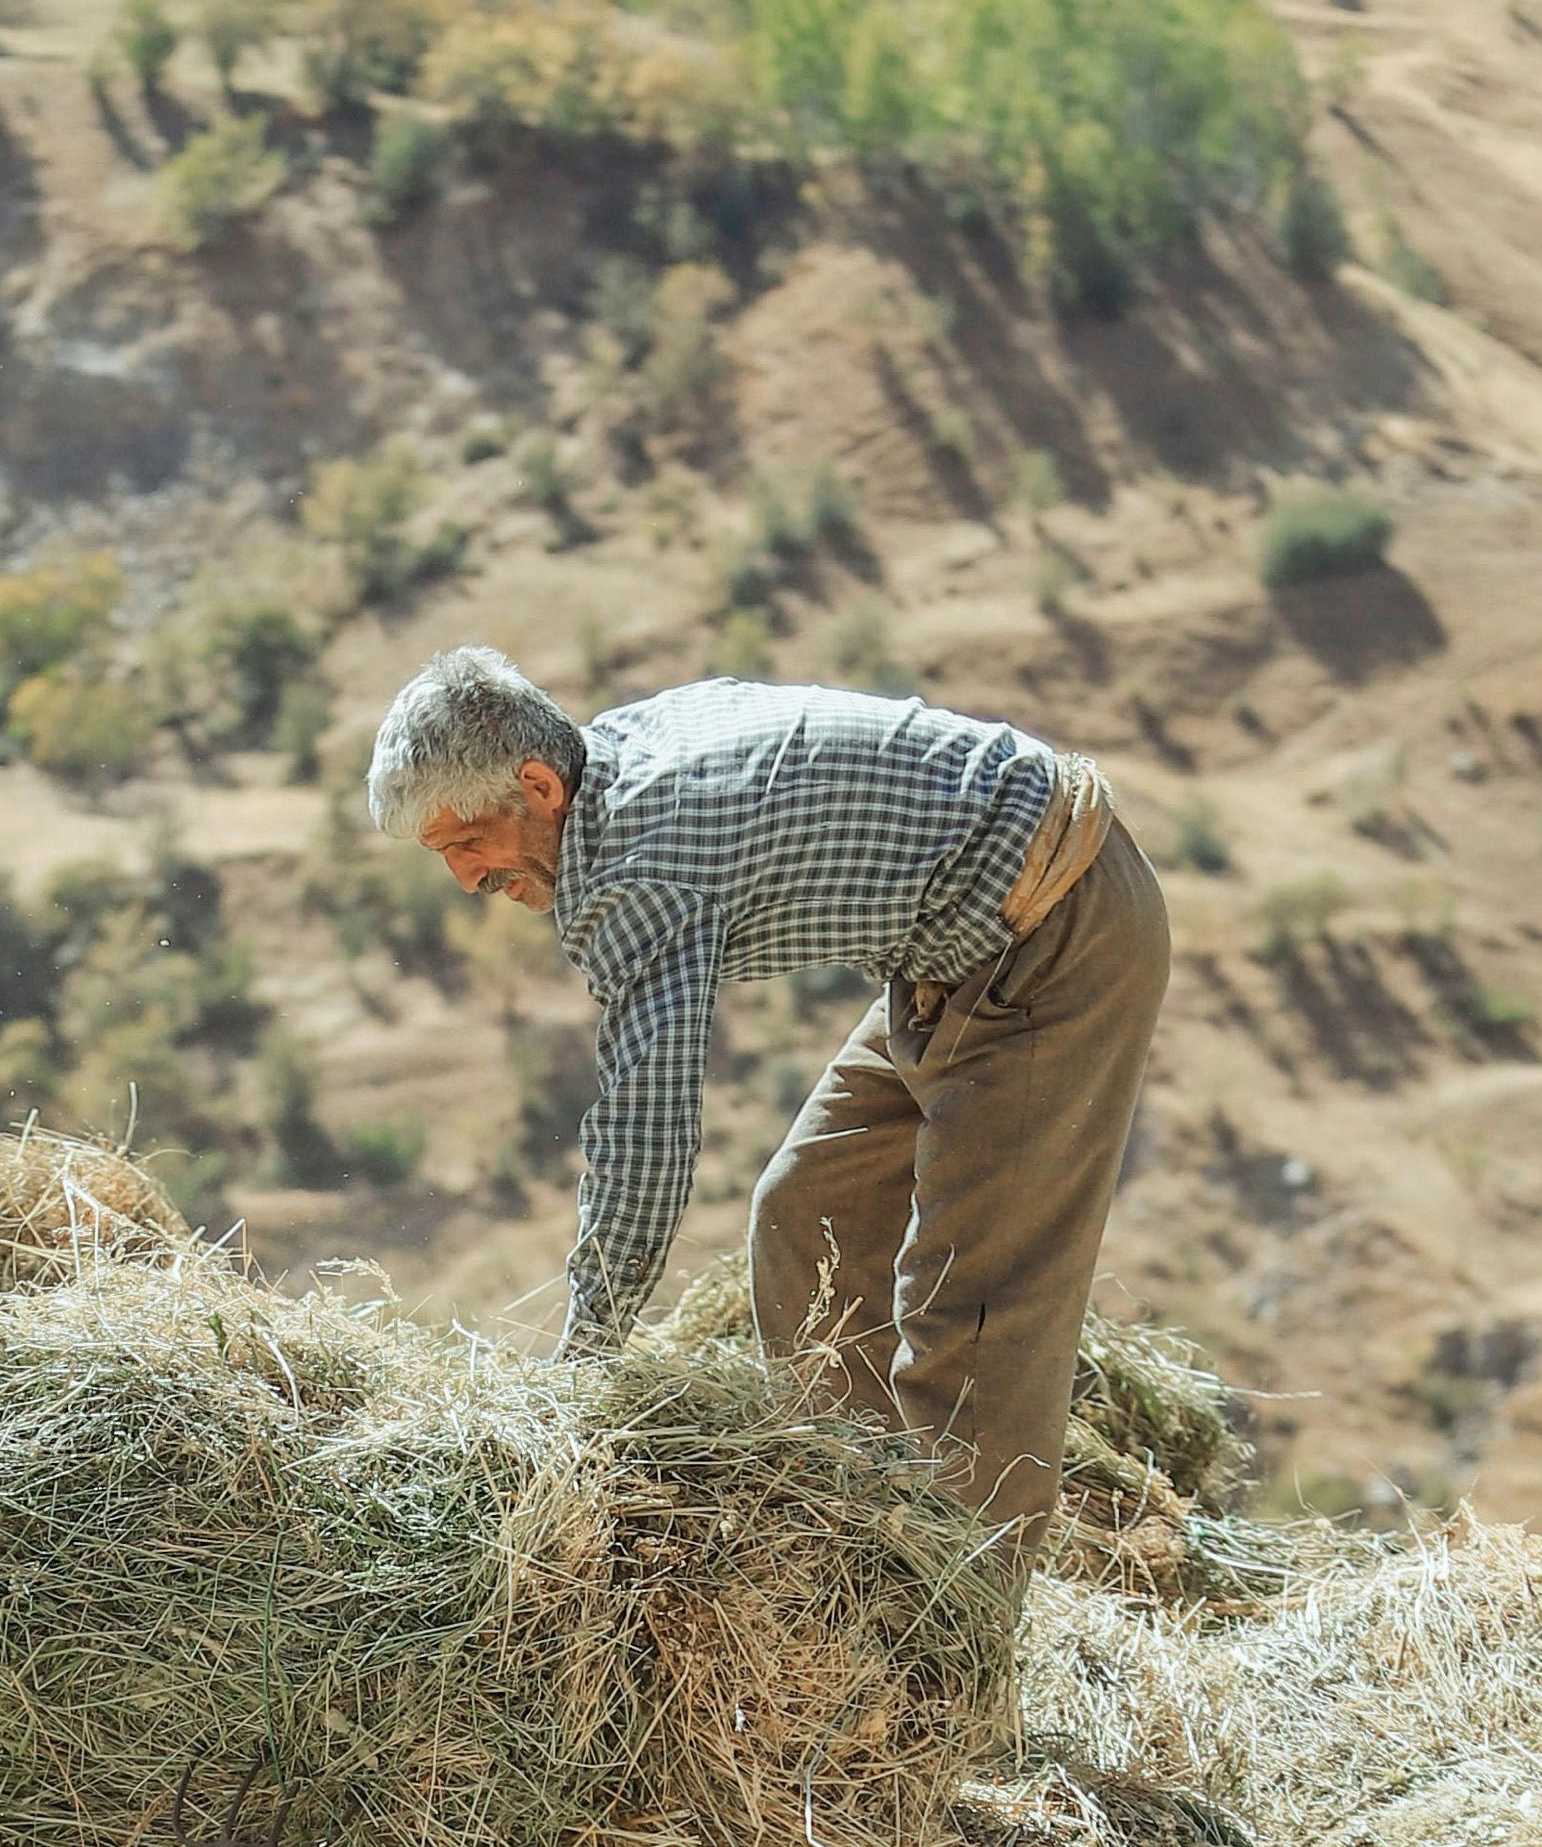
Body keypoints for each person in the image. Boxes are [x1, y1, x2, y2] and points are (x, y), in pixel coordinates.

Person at [365, 640, 1171, 1545]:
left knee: (975, 1319)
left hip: (1055, 927)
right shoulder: (617, 749)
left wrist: (583, 1364)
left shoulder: (638, 869)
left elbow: (648, 1137)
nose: (468, 879)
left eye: (471, 843)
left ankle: (957, 1613)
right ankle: (849, 1523)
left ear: (540, 787)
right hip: (950, 948)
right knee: (807, 1212)